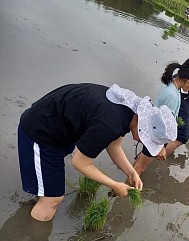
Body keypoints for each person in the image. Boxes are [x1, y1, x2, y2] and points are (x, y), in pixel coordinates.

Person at [18, 83, 177, 221]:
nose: (141, 141)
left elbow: (114, 146)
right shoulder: (109, 123)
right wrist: (114, 185)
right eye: (146, 139)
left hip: (59, 129)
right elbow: (79, 162)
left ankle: (40, 199)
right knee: (53, 199)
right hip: (40, 133)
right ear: (143, 124)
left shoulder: (128, 110)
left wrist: (131, 172)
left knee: (48, 192)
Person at [133, 57, 189, 173]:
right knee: (141, 167)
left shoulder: (171, 84)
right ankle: (124, 189)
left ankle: (123, 185)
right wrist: (161, 147)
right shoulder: (172, 96)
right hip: (156, 136)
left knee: (141, 161)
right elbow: (163, 124)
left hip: (152, 130)